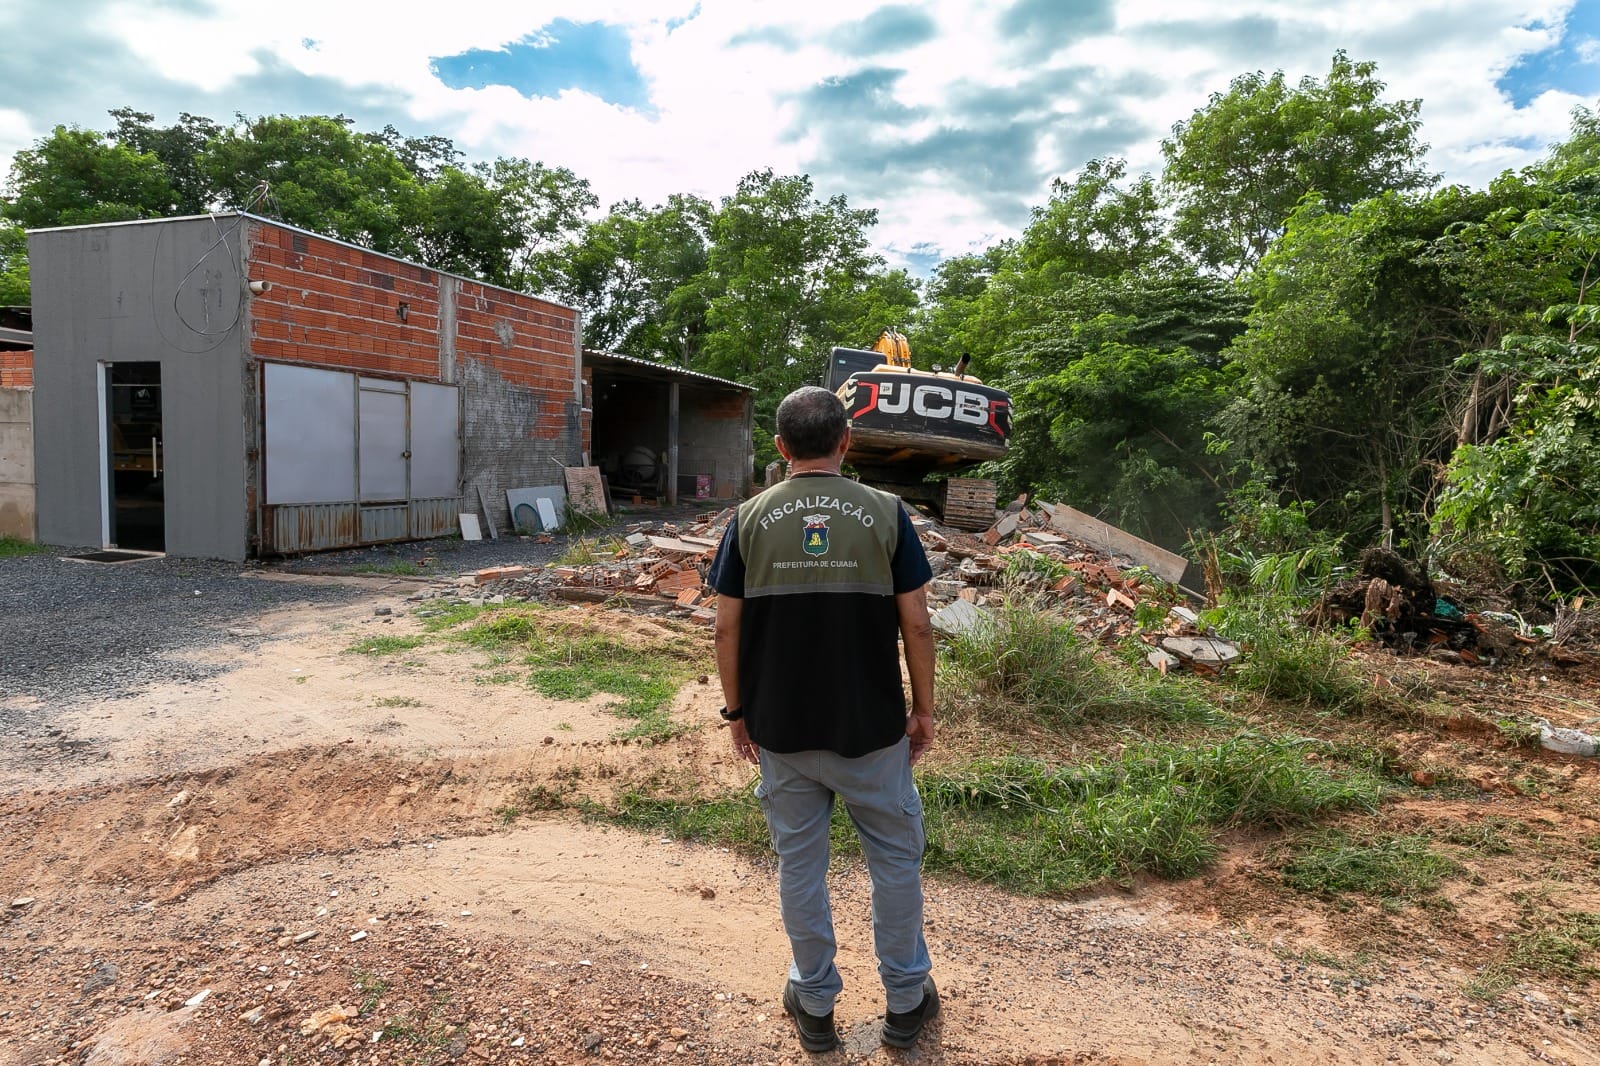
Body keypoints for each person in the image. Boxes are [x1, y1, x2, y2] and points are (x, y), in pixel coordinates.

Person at [707, 385, 939, 1053]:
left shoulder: (748, 518)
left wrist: (737, 712)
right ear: (847, 442)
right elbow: (918, 624)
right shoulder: (888, 513)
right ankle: (905, 1001)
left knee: (800, 866)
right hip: (871, 732)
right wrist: (923, 710)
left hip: (781, 731)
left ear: (781, 447)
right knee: (895, 861)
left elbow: (725, 629)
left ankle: (813, 1003)